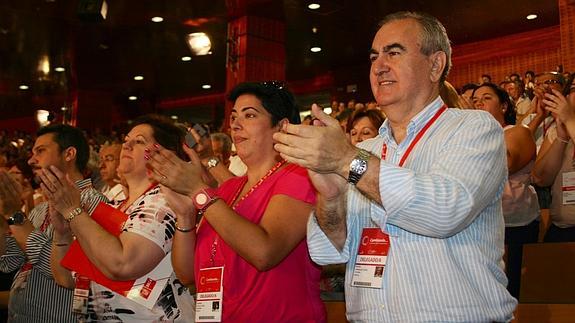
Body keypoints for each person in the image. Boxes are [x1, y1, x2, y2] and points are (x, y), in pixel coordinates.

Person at [273, 11, 517, 321]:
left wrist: (345, 160)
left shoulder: (473, 128)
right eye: (375, 57)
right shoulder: (365, 150)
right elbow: (328, 251)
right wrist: (330, 198)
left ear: (435, 64)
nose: (379, 66)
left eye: (394, 52)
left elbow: (445, 211)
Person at [146, 81, 325, 322]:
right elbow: (188, 273)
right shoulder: (229, 188)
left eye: (249, 115)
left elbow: (265, 252)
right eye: (233, 118)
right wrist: (185, 215)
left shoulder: (298, 177)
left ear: (281, 126)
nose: (236, 125)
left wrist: (197, 190)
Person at [47, 115, 194, 322]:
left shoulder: (166, 201)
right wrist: (61, 234)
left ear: (164, 156)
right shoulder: (111, 208)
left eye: (139, 141)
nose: (127, 145)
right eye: (126, 140)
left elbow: (123, 264)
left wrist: (73, 211)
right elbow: (65, 278)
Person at [0, 124, 106, 323]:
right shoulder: (41, 208)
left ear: (69, 154)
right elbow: (10, 260)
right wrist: (3, 216)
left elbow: (68, 272)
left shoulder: (95, 203)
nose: (31, 160)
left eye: (41, 151)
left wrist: (15, 215)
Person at [472, 82, 539, 298]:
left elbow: (506, 163)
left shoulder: (518, 132)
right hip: (481, 227)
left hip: (514, 228)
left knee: (511, 295)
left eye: (486, 98)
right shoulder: (469, 140)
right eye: (474, 100)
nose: (478, 103)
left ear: (503, 107)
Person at [532, 75, 575, 242]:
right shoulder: (555, 131)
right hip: (561, 229)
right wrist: (561, 139)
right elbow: (540, 178)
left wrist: (570, 120)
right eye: (573, 89)